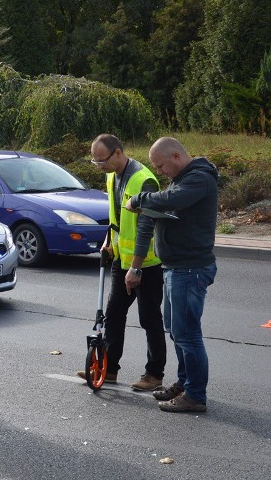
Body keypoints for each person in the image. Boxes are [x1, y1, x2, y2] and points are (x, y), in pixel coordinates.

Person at [126, 137, 218, 413]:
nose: (160, 172)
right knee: (177, 332)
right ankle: (185, 383)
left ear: (176, 156)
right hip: (176, 266)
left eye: (161, 166)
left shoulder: (198, 178)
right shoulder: (183, 178)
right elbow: (168, 203)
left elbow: (173, 199)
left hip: (189, 268)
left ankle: (195, 395)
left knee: (187, 334)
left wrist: (140, 198)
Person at [76, 134, 167, 391]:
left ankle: (154, 374)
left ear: (118, 153)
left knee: (150, 319)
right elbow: (116, 217)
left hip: (146, 263)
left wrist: (136, 267)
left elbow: (146, 227)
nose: (99, 166)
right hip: (121, 260)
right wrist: (108, 240)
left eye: (101, 161)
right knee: (114, 314)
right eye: (94, 162)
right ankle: (109, 368)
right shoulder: (111, 175)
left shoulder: (143, 180)